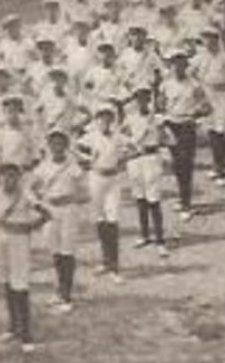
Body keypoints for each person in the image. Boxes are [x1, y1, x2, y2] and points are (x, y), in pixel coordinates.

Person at [0, 159, 52, 352]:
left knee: (21, 285)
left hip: (19, 242)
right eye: (5, 175)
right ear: (0, 177)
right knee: (7, 282)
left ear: (18, 177)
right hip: (1, 240)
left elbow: (46, 213)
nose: (9, 179)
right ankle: (12, 326)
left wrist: (31, 225)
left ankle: (26, 333)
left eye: (13, 175)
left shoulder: (26, 195)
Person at [31, 127, 87, 311]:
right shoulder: (43, 167)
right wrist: (39, 204)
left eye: (61, 142)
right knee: (54, 250)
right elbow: (29, 189)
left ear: (66, 145)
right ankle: (59, 290)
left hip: (69, 211)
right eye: (53, 143)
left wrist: (69, 198)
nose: (57, 146)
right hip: (50, 211)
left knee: (67, 252)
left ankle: (67, 295)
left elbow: (86, 194)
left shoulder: (74, 167)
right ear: (48, 145)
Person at [75, 102, 127, 280]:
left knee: (113, 220)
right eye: (101, 117)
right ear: (96, 120)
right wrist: (87, 159)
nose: (105, 121)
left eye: (108, 117)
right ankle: (106, 261)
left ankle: (115, 266)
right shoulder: (91, 136)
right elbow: (73, 148)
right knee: (100, 220)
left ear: (112, 119)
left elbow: (133, 149)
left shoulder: (118, 137)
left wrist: (122, 161)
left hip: (113, 180)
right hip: (96, 178)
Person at [159, 48, 210, 221]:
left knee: (186, 164)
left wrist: (197, 112)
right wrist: (164, 123)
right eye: (174, 63)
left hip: (187, 126)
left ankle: (187, 204)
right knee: (177, 165)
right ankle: (182, 199)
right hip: (172, 125)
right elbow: (160, 107)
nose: (177, 66)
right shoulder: (165, 84)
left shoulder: (194, 85)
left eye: (181, 62)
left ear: (186, 64)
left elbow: (207, 107)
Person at [122, 84, 170, 256]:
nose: (142, 101)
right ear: (135, 100)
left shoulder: (156, 119)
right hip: (135, 160)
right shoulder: (130, 118)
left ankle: (160, 240)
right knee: (139, 198)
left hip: (151, 158)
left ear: (149, 99)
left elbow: (168, 139)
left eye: (145, 97)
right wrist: (129, 147)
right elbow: (124, 136)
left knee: (153, 199)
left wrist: (161, 133)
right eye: (138, 97)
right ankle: (144, 235)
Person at [194, 26, 225, 183]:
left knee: (220, 132)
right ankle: (216, 166)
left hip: (222, 96)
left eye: (211, 38)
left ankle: (223, 170)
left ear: (217, 39)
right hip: (207, 95)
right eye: (205, 38)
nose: (208, 42)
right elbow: (189, 71)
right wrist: (198, 88)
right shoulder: (200, 57)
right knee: (212, 132)